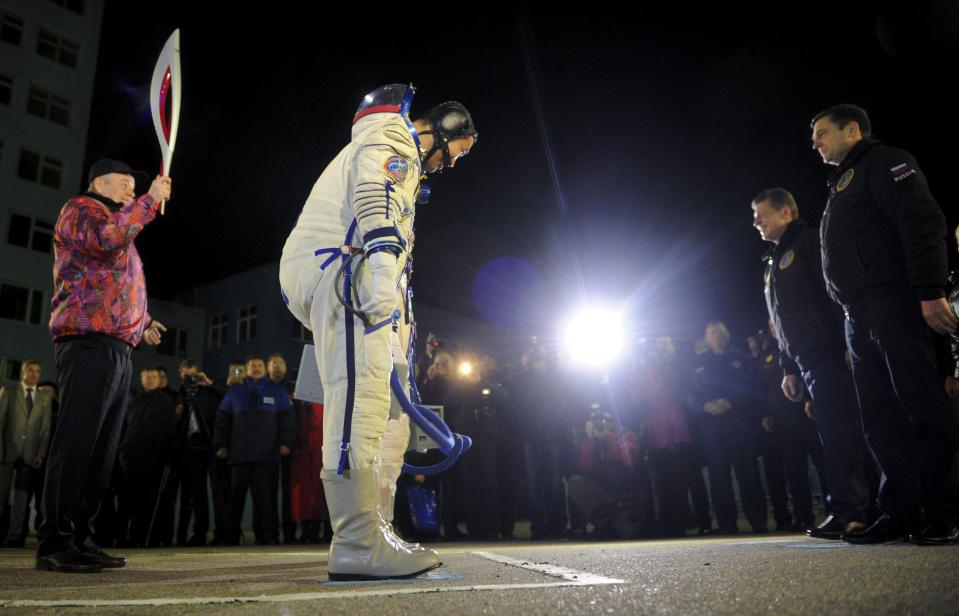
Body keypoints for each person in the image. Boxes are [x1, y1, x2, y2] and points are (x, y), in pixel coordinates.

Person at [280, 83, 476, 580]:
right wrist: (383, 274)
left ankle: (372, 530)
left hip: (347, 265)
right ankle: (357, 541)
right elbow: (377, 197)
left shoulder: (395, 148)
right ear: (440, 130)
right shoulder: (392, 141)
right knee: (359, 397)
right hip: (345, 264)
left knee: (386, 413)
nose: (450, 165)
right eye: (454, 152)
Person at [812, 104, 959, 544]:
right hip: (858, 314)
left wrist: (930, 290)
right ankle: (901, 513)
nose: (814, 142)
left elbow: (921, 221)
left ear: (852, 129)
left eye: (821, 133)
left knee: (921, 407)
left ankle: (946, 513)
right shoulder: (840, 184)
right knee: (879, 418)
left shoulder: (885, 162)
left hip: (893, 301)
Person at [37, 159, 171, 573]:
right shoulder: (81, 210)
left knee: (101, 448)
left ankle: (81, 537)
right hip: (88, 341)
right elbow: (105, 242)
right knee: (78, 441)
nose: (132, 190)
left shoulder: (118, 219)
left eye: (135, 186)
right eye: (126, 184)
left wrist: (142, 321)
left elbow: (113, 278)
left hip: (116, 344)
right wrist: (149, 202)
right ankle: (55, 541)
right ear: (99, 182)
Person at [752, 187, 874, 538]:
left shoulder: (808, 241)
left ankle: (855, 512)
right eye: (754, 216)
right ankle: (844, 510)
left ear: (787, 212)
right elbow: (782, 323)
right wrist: (789, 369)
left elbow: (833, 293)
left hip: (830, 352)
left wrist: (847, 344)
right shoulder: (772, 262)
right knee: (831, 435)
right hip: (806, 361)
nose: (756, 222)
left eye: (762, 214)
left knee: (844, 434)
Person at [692, 322, 768, 533]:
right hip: (711, 427)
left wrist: (731, 402)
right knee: (718, 477)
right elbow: (689, 392)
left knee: (748, 474)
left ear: (727, 335)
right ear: (706, 338)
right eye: (711, 333)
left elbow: (750, 386)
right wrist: (703, 405)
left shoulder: (741, 358)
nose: (716, 335)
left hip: (738, 423)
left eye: (719, 332)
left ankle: (758, 520)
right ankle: (726, 524)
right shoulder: (697, 363)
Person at [214, 356, 295, 545]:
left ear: (265, 369)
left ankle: (266, 536)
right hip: (239, 457)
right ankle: (231, 537)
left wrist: (286, 443)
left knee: (266, 501)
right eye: (252, 366)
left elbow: (288, 420)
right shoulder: (235, 392)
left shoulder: (277, 391)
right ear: (246, 369)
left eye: (259, 365)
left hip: (267, 457)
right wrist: (220, 445)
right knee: (235, 500)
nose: (256, 368)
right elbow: (222, 420)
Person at [0, 361, 53, 547]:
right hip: (6, 454)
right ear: (23, 372)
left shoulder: (44, 399)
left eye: (37, 371)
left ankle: (15, 536)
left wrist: (40, 454)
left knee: (21, 500)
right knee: (2, 495)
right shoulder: (9, 392)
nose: (33, 374)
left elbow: (45, 430)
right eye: (30, 370)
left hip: (29, 457)